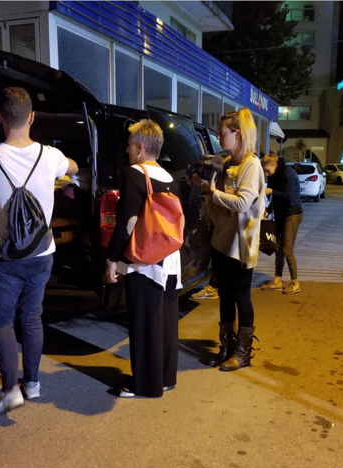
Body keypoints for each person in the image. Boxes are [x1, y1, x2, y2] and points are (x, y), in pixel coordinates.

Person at [0, 87, 78, 415]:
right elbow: (72, 168)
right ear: (32, 117)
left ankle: (9, 389)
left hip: (4, 256)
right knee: (32, 316)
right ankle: (32, 384)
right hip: (42, 252)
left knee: (3, 318)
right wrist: (61, 172)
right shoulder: (51, 157)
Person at [104, 120, 182, 397]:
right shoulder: (170, 177)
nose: (126, 150)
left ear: (139, 147)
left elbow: (127, 221)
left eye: (128, 145)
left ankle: (145, 385)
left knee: (144, 323)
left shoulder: (134, 173)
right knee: (165, 322)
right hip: (170, 260)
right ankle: (165, 377)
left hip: (145, 262)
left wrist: (112, 258)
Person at [195, 108, 265, 372]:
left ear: (237, 134)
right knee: (224, 296)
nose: (220, 137)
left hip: (241, 246)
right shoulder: (226, 164)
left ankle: (243, 353)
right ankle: (225, 347)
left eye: (223, 133)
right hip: (220, 242)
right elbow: (218, 208)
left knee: (241, 298)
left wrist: (213, 193)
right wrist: (206, 192)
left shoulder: (252, 165)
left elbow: (243, 202)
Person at [260, 154, 303, 294]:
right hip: (280, 213)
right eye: (264, 171)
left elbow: (288, 197)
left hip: (292, 214)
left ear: (275, 165)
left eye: (267, 170)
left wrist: (272, 191)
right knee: (278, 248)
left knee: (286, 249)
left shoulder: (289, 174)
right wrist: (267, 210)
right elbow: (275, 198)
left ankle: (295, 282)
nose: (266, 174)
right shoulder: (273, 177)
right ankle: (277, 280)